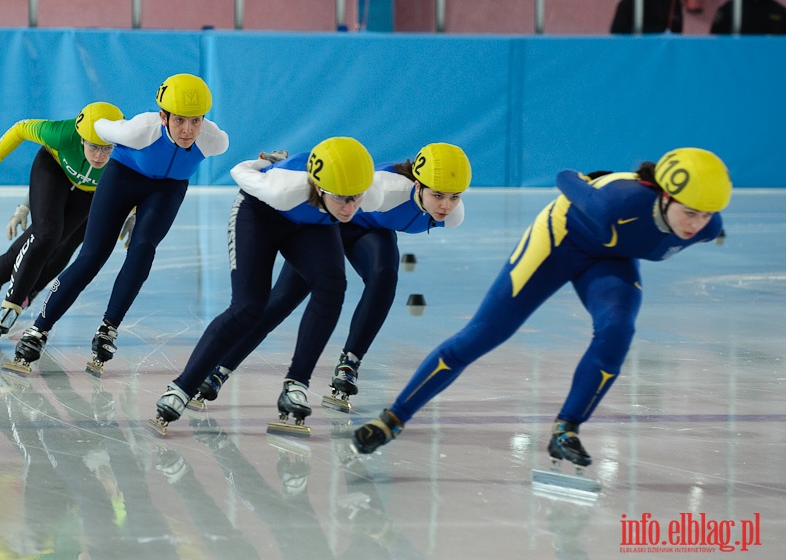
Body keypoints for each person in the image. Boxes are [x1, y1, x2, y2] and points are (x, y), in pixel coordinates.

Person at [352, 148, 732, 473]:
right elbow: (564, 177)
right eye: (689, 212)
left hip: (609, 258)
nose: (695, 224)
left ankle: (567, 429)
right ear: (664, 196)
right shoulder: (615, 204)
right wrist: (588, 179)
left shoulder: (706, 226)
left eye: (704, 215)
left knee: (618, 330)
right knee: (486, 332)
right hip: (559, 240)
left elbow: (696, 222)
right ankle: (394, 418)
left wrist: (697, 219)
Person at [190, 142, 472, 413]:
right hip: (330, 225)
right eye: (437, 195)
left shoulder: (453, 215)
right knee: (283, 299)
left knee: (385, 276)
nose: (446, 206)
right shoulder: (386, 188)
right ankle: (219, 369)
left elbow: (411, 217)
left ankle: (350, 364)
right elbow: (334, 190)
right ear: (418, 185)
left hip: (372, 231)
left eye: (454, 196)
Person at [149, 137, 379, 436]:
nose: (350, 208)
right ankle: (182, 387)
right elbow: (240, 172)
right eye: (341, 198)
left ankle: (296, 384)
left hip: (310, 224)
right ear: (320, 187)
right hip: (261, 214)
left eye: (356, 197)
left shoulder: (362, 192)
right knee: (248, 307)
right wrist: (264, 164)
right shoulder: (283, 187)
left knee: (332, 285)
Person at [7, 73, 229, 377]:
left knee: (143, 249)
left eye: (195, 121)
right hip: (122, 178)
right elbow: (98, 126)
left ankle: (109, 327)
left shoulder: (215, 140)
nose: (188, 130)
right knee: (92, 256)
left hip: (166, 190)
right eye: (179, 120)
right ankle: (38, 329)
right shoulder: (141, 129)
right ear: (163, 117)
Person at [0, 102, 125, 341]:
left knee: (65, 243)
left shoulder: (128, 146)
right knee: (46, 235)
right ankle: (12, 302)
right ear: (81, 138)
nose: (100, 156)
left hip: (90, 193)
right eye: (94, 147)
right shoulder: (61, 134)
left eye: (107, 148)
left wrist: (133, 214)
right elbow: (20, 129)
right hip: (54, 169)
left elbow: (137, 182)